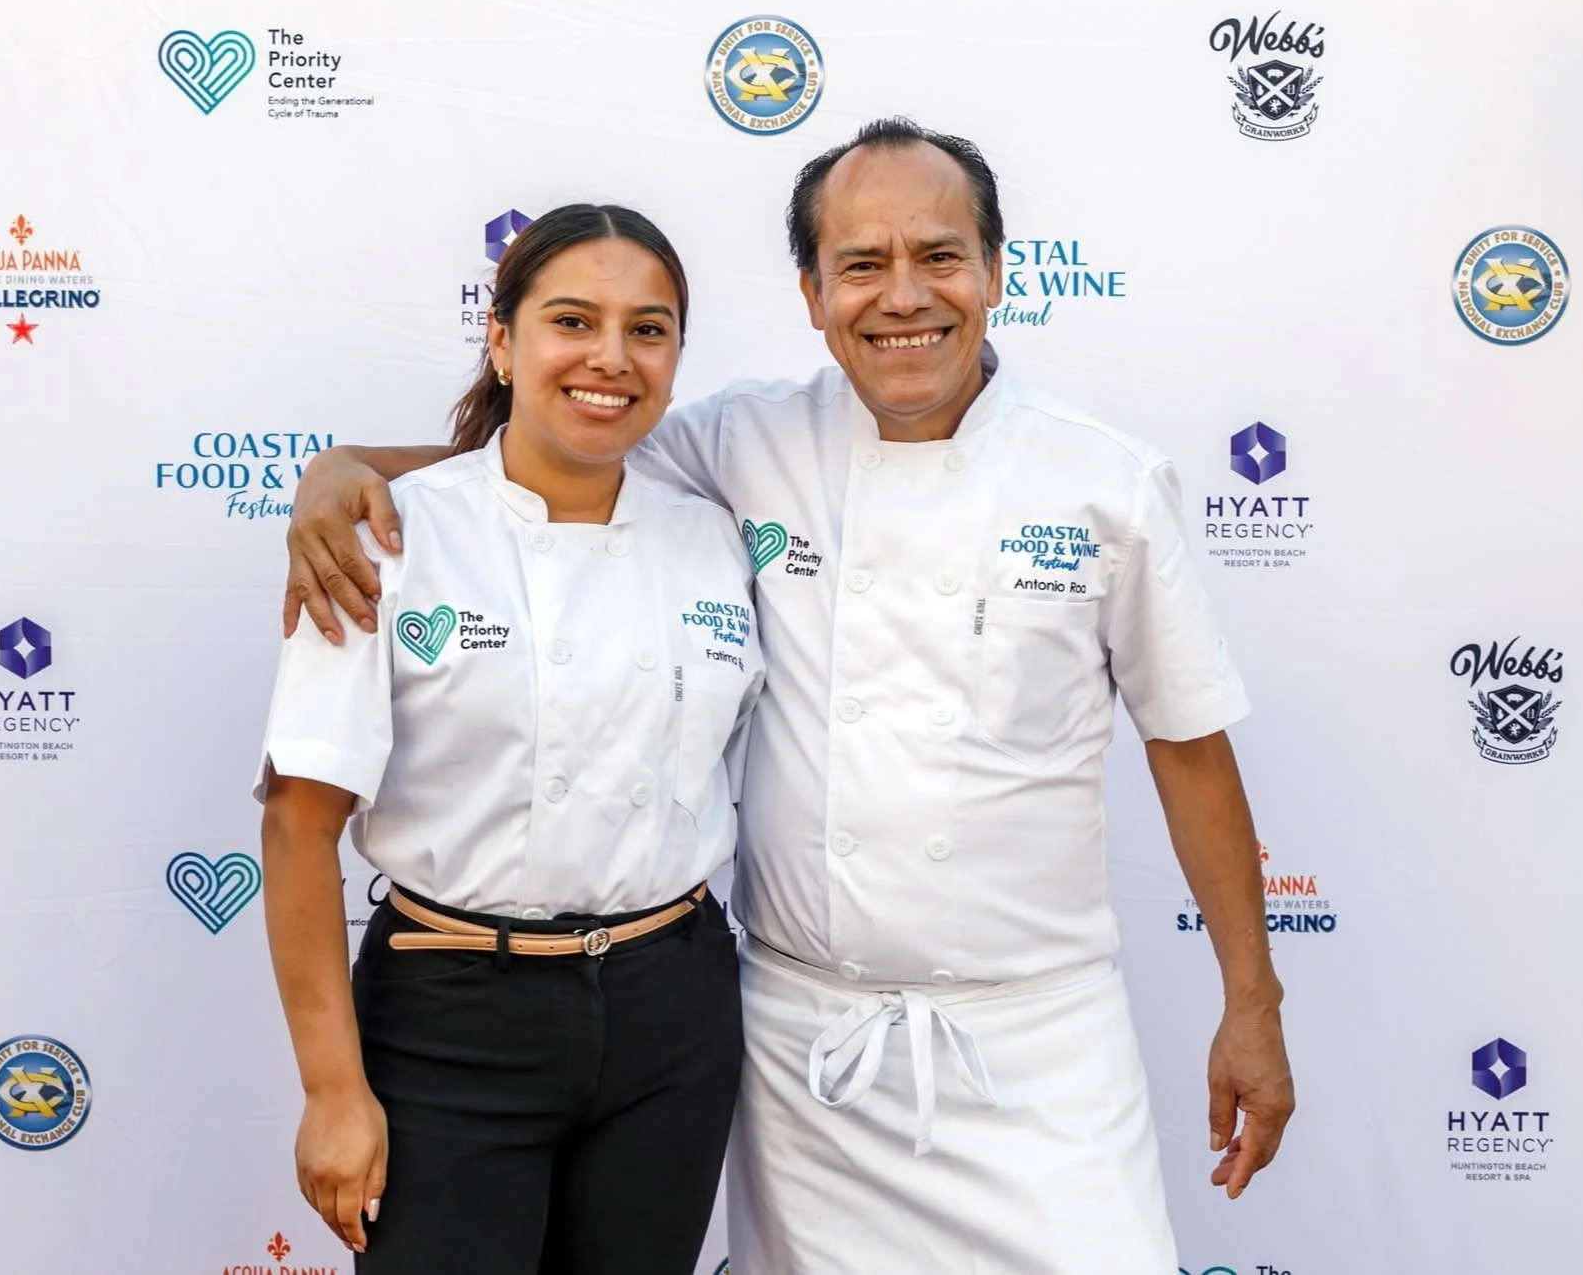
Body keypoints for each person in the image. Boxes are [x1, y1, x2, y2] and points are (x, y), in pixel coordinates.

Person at [282, 119, 1296, 1273]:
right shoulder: (741, 441)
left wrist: (1250, 1003)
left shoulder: (1106, 483)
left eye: (939, 255)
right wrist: (346, 470)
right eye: (860, 265)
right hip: (802, 1044)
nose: (902, 296)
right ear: (812, 296)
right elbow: (549, 449)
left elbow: (1188, 751)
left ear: (998, 273)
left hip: (1039, 1042)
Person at [255, 203, 763, 1275]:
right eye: (571, 320)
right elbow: (300, 828)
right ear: (501, 338)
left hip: (671, 1013)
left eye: (648, 329)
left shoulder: (715, 537)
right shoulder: (388, 534)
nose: (609, 359)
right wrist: (332, 1091)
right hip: (450, 1019)